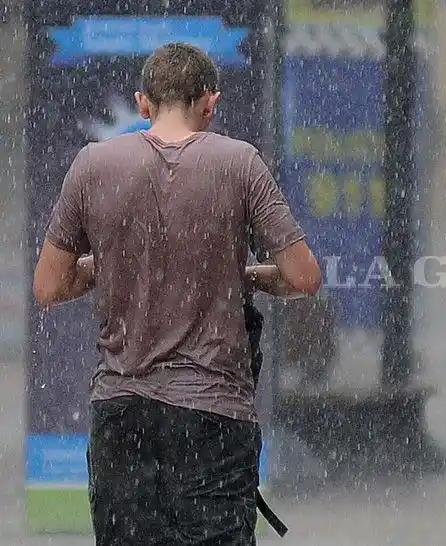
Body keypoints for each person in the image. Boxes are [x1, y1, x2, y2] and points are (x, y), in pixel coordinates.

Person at [32, 42, 322, 545]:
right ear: (211, 102)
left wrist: (113, 265)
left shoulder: (93, 164)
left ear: (143, 103)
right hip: (214, 418)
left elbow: (49, 285)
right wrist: (241, 275)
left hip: (122, 416)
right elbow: (303, 277)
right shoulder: (240, 164)